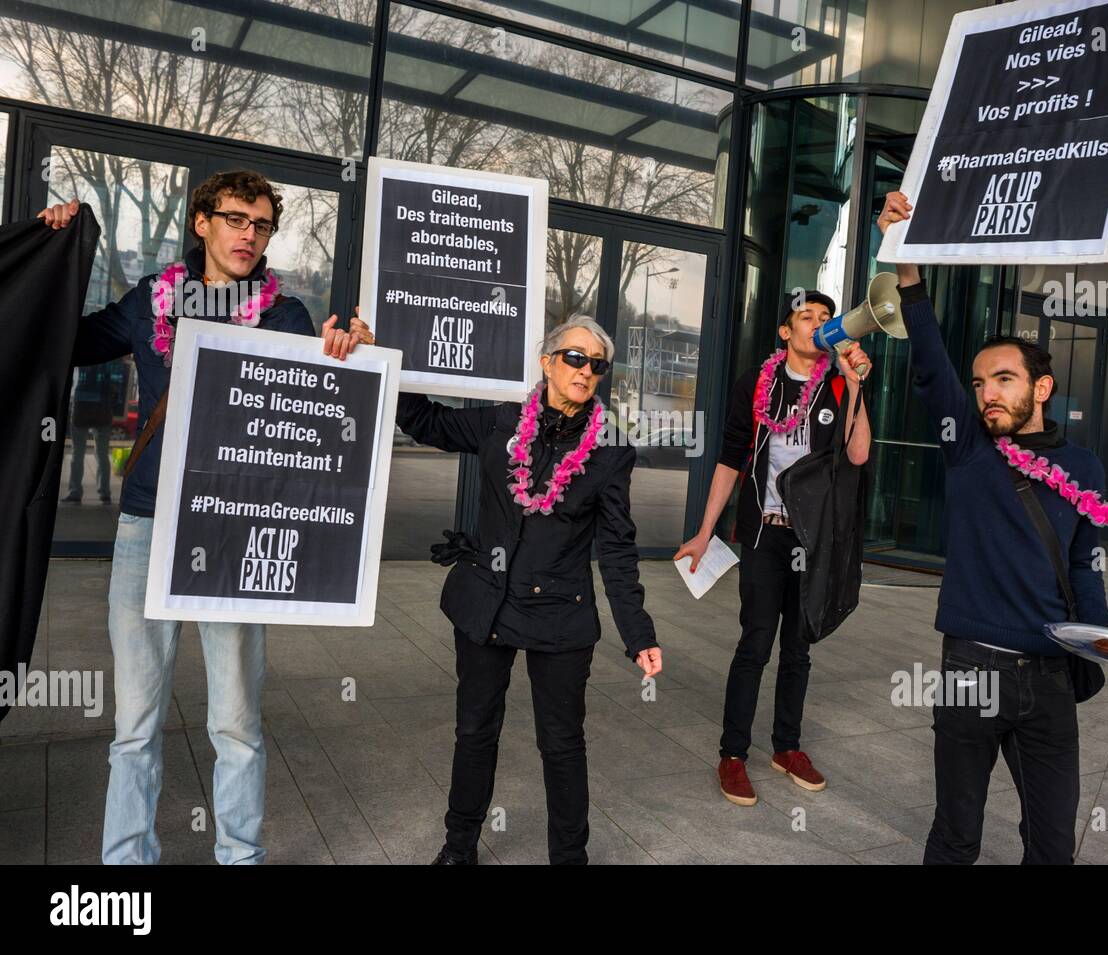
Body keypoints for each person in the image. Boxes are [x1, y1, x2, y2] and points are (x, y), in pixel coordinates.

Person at [41, 170, 370, 864]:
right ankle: (126, 863)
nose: (248, 234)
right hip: (147, 526)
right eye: (234, 219)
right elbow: (64, 340)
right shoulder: (149, 302)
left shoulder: (286, 317)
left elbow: (319, 418)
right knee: (134, 720)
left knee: (237, 721)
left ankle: (239, 856)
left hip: (233, 534)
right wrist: (57, 247)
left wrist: (350, 353)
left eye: (260, 224)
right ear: (202, 223)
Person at [877, 190, 1108, 864]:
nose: (986, 393)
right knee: (956, 836)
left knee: (1053, 844)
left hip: (1052, 674)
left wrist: (1106, 630)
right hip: (971, 666)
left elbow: (1085, 563)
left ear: (1042, 387)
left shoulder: (1084, 466)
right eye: (979, 384)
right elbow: (931, 364)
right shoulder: (970, 448)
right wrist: (909, 274)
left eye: (1003, 379)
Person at [391, 315, 663, 865]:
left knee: (561, 745)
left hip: (560, 614)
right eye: (575, 358)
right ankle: (458, 848)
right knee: (474, 731)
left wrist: (639, 633)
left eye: (597, 365)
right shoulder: (501, 423)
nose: (586, 371)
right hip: (486, 601)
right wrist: (387, 362)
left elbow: (615, 547)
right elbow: (426, 421)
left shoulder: (611, 450)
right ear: (547, 362)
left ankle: (569, 858)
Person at [676, 290, 872, 806]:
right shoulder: (756, 384)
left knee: (799, 647)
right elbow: (730, 459)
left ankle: (787, 747)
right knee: (754, 643)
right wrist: (704, 531)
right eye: (806, 316)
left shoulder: (837, 382)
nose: (818, 323)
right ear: (785, 332)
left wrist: (854, 387)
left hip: (813, 538)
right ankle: (733, 753)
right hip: (764, 532)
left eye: (826, 317)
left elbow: (857, 453)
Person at [64, 363, 121, 504]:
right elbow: (116, 380)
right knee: (102, 454)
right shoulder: (109, 359)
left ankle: (75, 492)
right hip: (103, 406)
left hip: (81, 404)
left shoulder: (82, 356)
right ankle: (105, 493)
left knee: (77, 452)